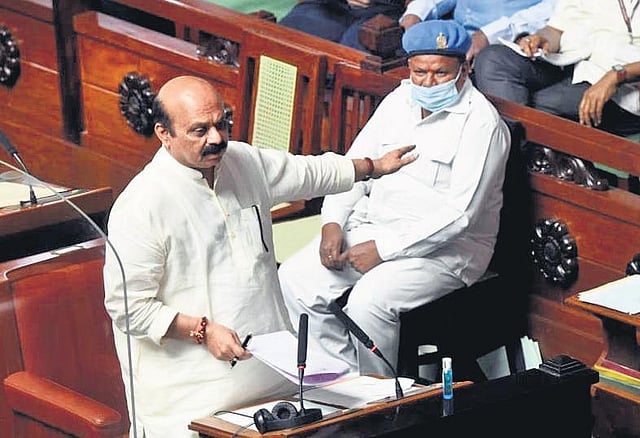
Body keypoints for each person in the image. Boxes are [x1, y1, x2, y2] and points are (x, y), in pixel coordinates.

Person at [102, 75, 416, 438]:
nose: (216, 138)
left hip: (273, 375)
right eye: (200, 130)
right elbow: (128, 307)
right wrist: (202, 331)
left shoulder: (241, 160)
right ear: (164, 133)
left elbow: (308, 172)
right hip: (189, 396)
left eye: (221, 124)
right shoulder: (141, 205)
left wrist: (372, 167)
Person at [278, 20, 511, 378]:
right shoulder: (399, 101)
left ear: (464, 69)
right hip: (375, 226)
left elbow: (460, 215)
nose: (428, 83)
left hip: (446, 252)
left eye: (440, 73)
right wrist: (332, 221)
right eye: (419, 72)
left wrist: (383, 250)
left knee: (368, 303)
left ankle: (379, 395)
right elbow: (357, 165)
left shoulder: (483, 124)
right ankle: (341, 382)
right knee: (295, 279)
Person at [473, 0, 640, 137]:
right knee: (492, 58)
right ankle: (510, 156)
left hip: (621, 84)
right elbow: (555, 29)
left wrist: (617, 75)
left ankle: (511, 160)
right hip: (568, 62)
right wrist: (541, 39)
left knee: (534, 107)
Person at [400, 0, 558, 62]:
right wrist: (415, 14)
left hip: (507, 45)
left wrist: (488, 35)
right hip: (454, 36)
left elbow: (552, 9)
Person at [279, 0, 405, 52]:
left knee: (355, 48)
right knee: (288, 32)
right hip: (332, 5)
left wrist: (413, 13)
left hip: (387, 8)